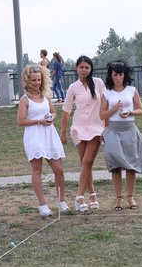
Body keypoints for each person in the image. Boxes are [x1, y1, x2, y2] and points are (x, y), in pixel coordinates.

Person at [99, 60, 142, 210]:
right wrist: (114, 109)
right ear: (111, 76)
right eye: (115, 75)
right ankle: (119, 199)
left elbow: (140, 109)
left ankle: (131, 197)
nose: (118, 77)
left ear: (125, 75)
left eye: (121, 74)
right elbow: (102, 114)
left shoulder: (131, 90)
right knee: (115, 166)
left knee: (131, 165)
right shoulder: (106, 93)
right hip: (113, 130)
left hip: (129, 129)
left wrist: (130, 112)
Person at [17, 64, 70, 216]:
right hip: (34, 136)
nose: (37, 83)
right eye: (34, 80)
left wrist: (50, 117)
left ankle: (61, 201)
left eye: (39, 80)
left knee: (59, 169)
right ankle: (42, 205)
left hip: (49, 135)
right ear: (28, 81)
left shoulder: (46, 97)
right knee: (37, 170)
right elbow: (20, 121)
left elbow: (53, 113)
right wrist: (39, 121)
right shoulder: (25, 100)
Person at [60, 55, 105, 212]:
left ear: (91, 69)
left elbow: (105, 103)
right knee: (86, 164)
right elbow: (66, 111)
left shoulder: (98, 83)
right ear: (76, 69)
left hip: (96, 128)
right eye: (81, 67)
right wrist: (63, 132)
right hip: (78, 129)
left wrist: (108, 126)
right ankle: (92, 194)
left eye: (87, 67)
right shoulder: (73, 87)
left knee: (87, 161)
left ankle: (79, 197)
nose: (84, 70)